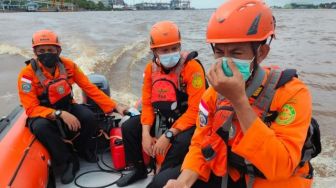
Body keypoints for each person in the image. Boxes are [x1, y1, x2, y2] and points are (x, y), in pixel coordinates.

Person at [164, 0, 316, 187]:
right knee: (161, 181)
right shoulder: (212, 94)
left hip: (270, 180)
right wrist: (183, 181)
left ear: (262, 52)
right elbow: (200, 144)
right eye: (219, 52)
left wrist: (239, 100)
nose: (227, 61)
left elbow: (280, 166)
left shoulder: (292, 93)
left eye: (236, 53)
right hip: (233, 173)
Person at [17, 30, 128, 184]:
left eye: (51, 50)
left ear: (58, 50)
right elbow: (31, 108)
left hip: (67, 105)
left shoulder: (69, 66)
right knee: (40, 128)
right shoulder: (27, 75)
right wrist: (58, 114)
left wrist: (115, 105)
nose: (46, 54)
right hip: (43, 113)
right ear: (35, 52)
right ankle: (68, 160)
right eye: (41, 50)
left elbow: (90, 89)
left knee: (89, 117)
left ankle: (83, 148)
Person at [116, 21, 207, 187]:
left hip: (187, 121)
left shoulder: (192, 68)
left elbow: (196, 110)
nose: (170, 53)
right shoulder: (151, 69)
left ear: (180, 46)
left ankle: (161, 176)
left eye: (174, 48)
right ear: (154, 51)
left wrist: (169, 135)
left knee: (179, 142)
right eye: (165, 50)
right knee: (129, 127)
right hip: (163, 115)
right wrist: (145, 133)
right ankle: (138, 169)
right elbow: (148, 103)